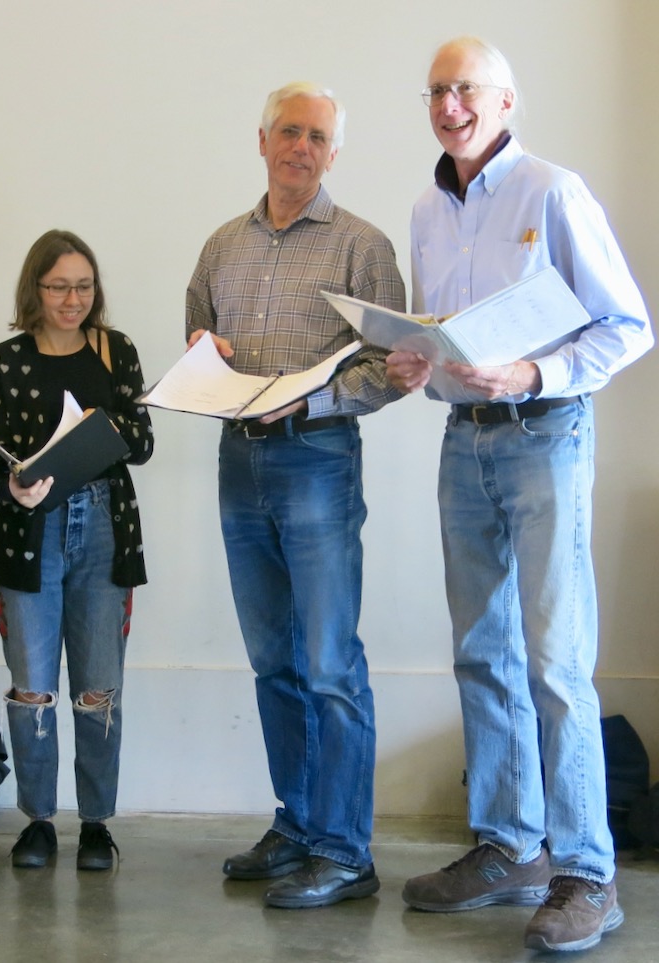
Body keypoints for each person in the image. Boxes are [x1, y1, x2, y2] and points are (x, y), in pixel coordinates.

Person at [389, 37, 652, 953]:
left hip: (546, 437)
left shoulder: (555, 192)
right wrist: (416, 360)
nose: (449, 104)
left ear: (505, 102)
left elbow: (628, 325)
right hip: (463, 442)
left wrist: (534, 372)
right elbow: (444, 346)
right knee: (480, 652)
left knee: (554, 660)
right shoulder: (427, 206)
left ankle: (588, 871)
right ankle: (509, 846)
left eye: (465, 89)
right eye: (436, 91)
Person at [185, 82, 405, 909]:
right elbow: (197, 339)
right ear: (263, 139)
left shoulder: (362, 247)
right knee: (274, 660)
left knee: (328, 662)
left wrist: (308, 401)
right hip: (237, 462)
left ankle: (347, 850)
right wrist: (204, 354)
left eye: (316, 135)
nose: (300, 146)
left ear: (333, 152)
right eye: (289, 130)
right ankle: (298, 822)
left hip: (316, 459)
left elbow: (393, 368)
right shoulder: (220, 246)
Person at [0, 229, 153, 870]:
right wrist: (15, 483)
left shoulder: (116, 351)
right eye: (58, 287)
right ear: (35, 289)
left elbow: (143, 437)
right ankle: (39, 821)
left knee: (98, 687)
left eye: (83, 286)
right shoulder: (4, 360)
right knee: (32, 689)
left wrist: (94, 435)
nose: (72, 299)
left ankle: (98, 823)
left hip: (105, 522)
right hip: (30, 531)